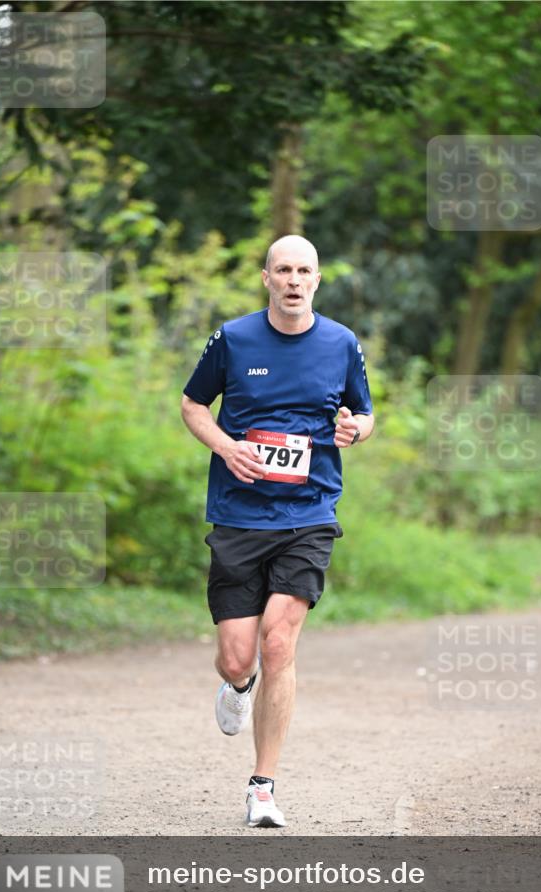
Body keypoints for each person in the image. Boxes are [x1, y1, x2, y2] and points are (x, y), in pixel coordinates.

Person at [181, 234, 374, 827]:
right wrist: (226, 446)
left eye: (305, 271)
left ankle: (262, 787)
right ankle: (239, 688)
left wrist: (354, 430)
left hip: (309, 514)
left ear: (317, 280)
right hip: (239, 516)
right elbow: (192, 405)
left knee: (278, 643)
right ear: (266, 277)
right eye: (283, 269)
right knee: (238, 659)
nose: (294, 280)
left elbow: (364, 413)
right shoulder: (233, 339)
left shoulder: (342, 344)